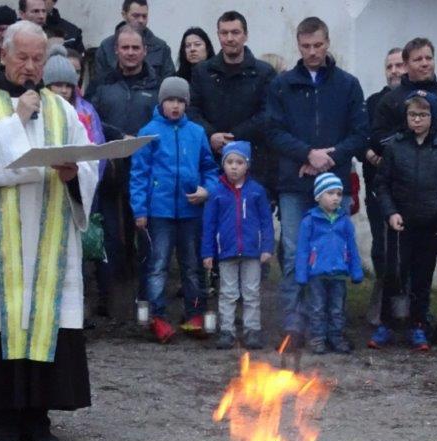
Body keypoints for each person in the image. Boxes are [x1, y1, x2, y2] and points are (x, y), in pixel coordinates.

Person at [0, 20, 98, 441]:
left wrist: (74, 175)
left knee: (46, 322)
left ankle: (39, 419)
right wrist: (16, 120)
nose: (31, 67)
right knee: (4, 323)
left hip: (49, 240)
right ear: (3, 54)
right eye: (23, 57)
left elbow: (86, 160)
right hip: (1, 245)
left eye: (38, 58)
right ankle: (4, 422)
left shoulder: (61, 109)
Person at [370, 37, 437, 347]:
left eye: (428, 57)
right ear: (406, 63)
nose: (424, 63)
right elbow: (378, 139)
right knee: (400, 267)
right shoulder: (392, 100)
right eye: (418, 59)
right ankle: (402, 320)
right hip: (405, 203)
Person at [265, 16, 367, 346]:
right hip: (294, 183)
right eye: (306, 46)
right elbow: (273, 131)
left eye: (318, 45)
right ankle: (295, 325)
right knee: (294, 253)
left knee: (333, 255)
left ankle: (330, 327)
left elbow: (360, 134)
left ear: (327, 43)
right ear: (298, 45)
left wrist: (328, 157)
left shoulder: (348, 84)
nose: (312, 51)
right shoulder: (282, 85)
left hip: (335, 184)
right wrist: (308, 155)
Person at [373, 90, 437, 351]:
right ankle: (387, 324)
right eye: (412, 114)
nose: (417, 119)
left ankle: (418, 325)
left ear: (432, 117)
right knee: (395, 275)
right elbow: (382, 184)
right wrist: (391, 212)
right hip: (400, 224)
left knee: (422, 278)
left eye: (423, 114)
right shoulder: (395, 146)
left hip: (429, 224)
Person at [130, 76, 218, 343]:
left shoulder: (197, 133)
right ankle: (156, 316)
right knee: (157, 266)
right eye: (170, 100)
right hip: (159, 212)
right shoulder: (148, 132)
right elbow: (139, 174)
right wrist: (140, 210)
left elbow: (209, 168)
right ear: (161, 102)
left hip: (191, 212)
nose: (175, 106)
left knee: (192, 266)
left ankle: (195, 314)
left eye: (180, 100)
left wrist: (207, 190)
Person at [88, 24, 162, 316]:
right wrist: (119, 136)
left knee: (147, 239)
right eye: (125, 47)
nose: (130, 53)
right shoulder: (101, 85)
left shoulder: (157, 86)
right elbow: (90, 119)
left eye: (135, 48)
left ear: (145, 50)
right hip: (111, 174)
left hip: (148, 176)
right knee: (110, 238)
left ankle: (146, 302)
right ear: (116, 50)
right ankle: (110, 301)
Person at [44, 45, 108, 319]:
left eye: (67, 85)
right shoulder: (37, 112)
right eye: (56, 85)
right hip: (46, 191)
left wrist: (85, 183)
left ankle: (76, 311)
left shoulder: (85, 111)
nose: (62, 90)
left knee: (76, 255)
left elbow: (96, 151)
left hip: (77, 190)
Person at [201, 141, 272, 350]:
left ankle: (252, 330)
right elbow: (209, 224)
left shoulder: (257, 191)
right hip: (226, 250)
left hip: (252, 251)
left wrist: (267, 247)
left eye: (239, 162)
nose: (234, 167)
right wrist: (207, 252)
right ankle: (227, 331)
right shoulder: (216, 192)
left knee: (251, 292)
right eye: (229, 162)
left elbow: (266, 222)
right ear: (223, 164)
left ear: (247, 165)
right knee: (227, 292)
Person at [189, 12, 275, 171]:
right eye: (224, 33)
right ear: (218, 35)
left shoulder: (264, 73)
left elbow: (268, 113)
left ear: (245, 35)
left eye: (235, 32)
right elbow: (192, 110)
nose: (229, 38)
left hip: (252, 160)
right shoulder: (202, 72)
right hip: (210, 160)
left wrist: (235, 137)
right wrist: (211, 135)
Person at [294, 173, 363, 354]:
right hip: (317, 273)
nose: (336, 198)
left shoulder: (344, 221)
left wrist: (356, 271)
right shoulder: (309, 221)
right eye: (330, 193)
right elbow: (302, 249)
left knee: (337, 308)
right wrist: (301, 273)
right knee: (317, 308)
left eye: (339, 194)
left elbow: (352, 247)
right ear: (318, 196)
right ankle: (317, 339)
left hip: (338, 272)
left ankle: (336, 337)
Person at [362, 47, 405, 326]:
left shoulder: (416, 102)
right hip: (377, 183)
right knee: (380, 246)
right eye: (389, 66)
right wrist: (369, 154)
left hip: (410, 186)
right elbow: (362, 136)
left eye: (399, 65)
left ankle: (405, 301)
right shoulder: (373, 102)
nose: (394, 71)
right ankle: (382, 295)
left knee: (407, 248)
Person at [94, 0, 175, 83]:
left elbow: (169, 84)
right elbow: (99, 83)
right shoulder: (106, 47)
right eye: (136, 16)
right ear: (124, 15)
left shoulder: (161, 48)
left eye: (144, 16)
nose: (141, 20)